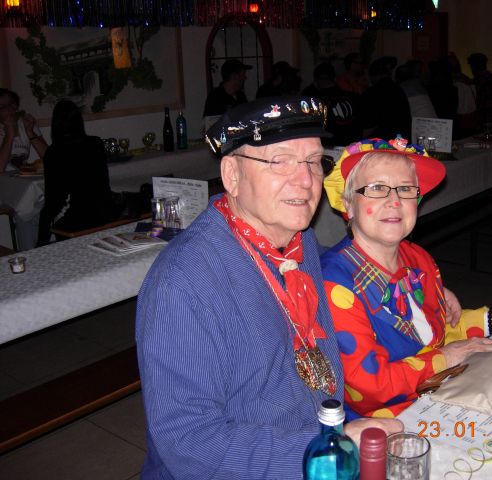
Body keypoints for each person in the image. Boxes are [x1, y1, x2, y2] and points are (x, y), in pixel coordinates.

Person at [136, 96, 401, 479]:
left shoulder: (298, 239)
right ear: (232, 175)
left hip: (322, 438)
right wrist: (322, 450)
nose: (306, 181)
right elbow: (190, 443)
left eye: (313, 161)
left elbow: (343, 271)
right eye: (280, 161)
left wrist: (403, 279)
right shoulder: (183, 284)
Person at [321, 138, 492, 418]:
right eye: (376, 188)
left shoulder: (418, 259)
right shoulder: (335, 283)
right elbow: (369, 388)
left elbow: (433, 337)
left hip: (440, 395)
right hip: (386, 423)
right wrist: (446, 358)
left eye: (405, 189)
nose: (394, 201)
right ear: (348, 204)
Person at [38, 99, 118, 244]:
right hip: (106, 213)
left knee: (55, 221)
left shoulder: (54, 153)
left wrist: (41, 241)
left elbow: (53, 201)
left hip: (80, 219)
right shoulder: (95, 143)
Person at [301, 62, 362, 146]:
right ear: (335, 78)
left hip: (327, 147)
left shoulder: (313, 101)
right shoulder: (354, 97)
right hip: (353, 146)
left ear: (316, 81)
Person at [361, 56, 412, 140]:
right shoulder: (398, 89)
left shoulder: (372, 92)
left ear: (371, 76)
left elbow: (369, 124)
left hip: (381, 143)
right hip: (402, 140)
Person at [0, 88, 47, 172]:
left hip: (21, 176)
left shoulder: (25, 123)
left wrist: (30, 132)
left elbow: (49, 158)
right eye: (3, 106)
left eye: (12, 103)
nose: (10, 108)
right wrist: (9, 135)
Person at [467, 52, 492, 128]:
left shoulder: (477, 81)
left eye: (471, 66)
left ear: (474, 67)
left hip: (482, 120)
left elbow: (476, 103)